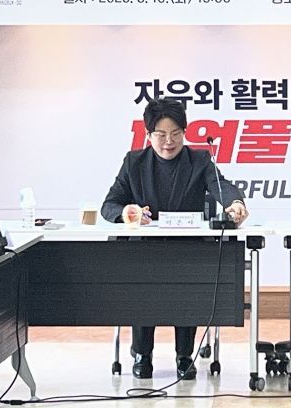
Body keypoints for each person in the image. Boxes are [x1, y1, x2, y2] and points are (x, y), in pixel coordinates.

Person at [101, 98, 248, 380]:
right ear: (148, 135)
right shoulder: (134, 162)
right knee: (142, 280)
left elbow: (222, 186)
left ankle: (184, 354)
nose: (169, 141)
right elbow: (109, 205)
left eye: (176, 134)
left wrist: (235, 203)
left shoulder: (199, 160)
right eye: (161, 134)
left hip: (187, 249)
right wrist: (126, 212)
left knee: (187, 278)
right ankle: (142, 353)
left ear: (184, 132)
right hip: (145, 251)